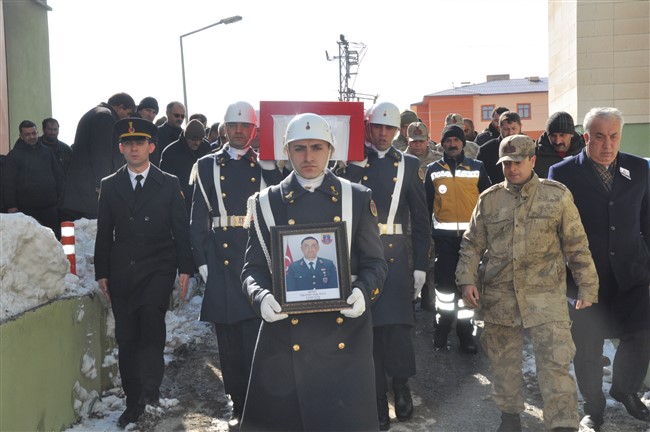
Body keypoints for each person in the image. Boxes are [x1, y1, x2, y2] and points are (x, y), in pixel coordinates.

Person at [240, 112, 387, 431]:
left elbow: (376, 263)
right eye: (299, 148)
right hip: (284, 336)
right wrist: (260, 297)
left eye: (317, 147)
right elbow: (252, 269)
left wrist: (364, 292)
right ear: (286, 151)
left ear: (331, 150)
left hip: (345, 333)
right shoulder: (265, 202)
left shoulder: (356, 197)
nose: (308, 156)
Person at [456, 134, 599, 432]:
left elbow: (576, 244)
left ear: (532, 160)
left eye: (518, 162)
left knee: (555, 363)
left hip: (545, 297)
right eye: (506, 163)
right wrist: (466, 279)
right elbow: (472, 244)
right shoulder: (489, 200)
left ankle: (563, 424)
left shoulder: (556, 195)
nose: (511, 169)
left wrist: (587, 285)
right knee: (504, 364)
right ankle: (510, 418)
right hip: (501, 296)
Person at [548, 107, 650, 431]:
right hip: (584, 279)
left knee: (642, 331)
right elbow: (553, 230)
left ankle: (625, 388)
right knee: (588, 348)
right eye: (600, 137)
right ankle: (593, 409)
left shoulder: (639, 168)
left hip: (632, 274)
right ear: (586, 137)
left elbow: (647, 221)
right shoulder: (563, 173)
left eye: (614, 136)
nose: (608, 145)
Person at [189, 101, 284, 427]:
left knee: (258, 334)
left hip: (257, 257)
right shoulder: (206, 165)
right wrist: (202, 260)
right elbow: (198, 217)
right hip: (221, 258)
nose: (239, 131)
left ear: (255, 129)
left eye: (246, 126)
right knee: (228, 339)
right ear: (225, 128)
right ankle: (238, 400)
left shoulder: (266, 165)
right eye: (234, 125)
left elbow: (281, 209)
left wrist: (270, 169)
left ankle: (261, 399)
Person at [94, 117, 193, 428]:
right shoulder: (110, 185)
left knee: (151, 319)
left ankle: (151, 389)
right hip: (123, 268)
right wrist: (101, 271)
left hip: (158, 265)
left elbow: (181, 229)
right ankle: (133, 400)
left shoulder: (169, 183)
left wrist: (185, 268)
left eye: (139, 143)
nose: (133, 148)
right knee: (127, 336)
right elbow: (104, 232)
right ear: (121, 148)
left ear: (151, 147)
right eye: (128, 144)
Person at [341, 101, 429, 429]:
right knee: (368, 329)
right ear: (367, 127)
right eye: (377, 126)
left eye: (389, 128)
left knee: (398, 328)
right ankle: (376, 396)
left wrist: (420, 265)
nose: (382, 134)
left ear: (398, 131)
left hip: (395, 255)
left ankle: (401, 386)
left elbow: (421, 219)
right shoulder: (350, 163)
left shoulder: (408, 164)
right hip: (359, 255)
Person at [424, 124, 491, 354]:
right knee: (444, 289)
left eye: (456, 140)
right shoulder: (433, 170)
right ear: (442, 144)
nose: (452, 145)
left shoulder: (477, 167)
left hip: (471, 241)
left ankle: (465, 335)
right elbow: (426, 206)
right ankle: (441, 330)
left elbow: (487, 202)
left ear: (463, 143)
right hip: (444, 241)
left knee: (468, 288)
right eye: (448, 141)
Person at [63, 92, 135, 219]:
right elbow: (102, 153)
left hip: (84, 192)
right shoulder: (105, 116)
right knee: (94, 229)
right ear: (120, 107)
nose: (127, 118)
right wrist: (102, 183)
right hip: (91, 193)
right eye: (128, 113)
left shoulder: (96, 113)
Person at [4, 120, 64, 237]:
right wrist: (11, 206)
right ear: (21, 136)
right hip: (26, 210)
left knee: (52, 239)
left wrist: (60, 200)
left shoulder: (47, 152)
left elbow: (58, 176)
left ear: (37, 132)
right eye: (27, 134)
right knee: (31, 241)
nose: (32, 137)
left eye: (34, 133)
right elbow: (8, 183)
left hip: (50, 208)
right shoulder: (14, 156)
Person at [405, 121, 441, 311]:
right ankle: (409, 305)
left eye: (421, 141)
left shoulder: (438, 161)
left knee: (432, 265)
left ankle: (431, 303)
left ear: (427, 139)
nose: (417, 145)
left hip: (434, 218)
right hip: (409, 222)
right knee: (410, 264)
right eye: (414, 141)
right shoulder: (400, 161)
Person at [160, 119, 211, 215]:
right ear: (186, 137)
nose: (197, 143)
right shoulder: (171, 152)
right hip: (180, 202)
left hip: (203, 199)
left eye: (200, 140)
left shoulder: (206, 148)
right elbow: (165, 180)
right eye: (193, 140)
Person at [477, 111, 523, 184]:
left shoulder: (529, 146)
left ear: (520, 126)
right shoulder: (486, 150)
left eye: (514, 128)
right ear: (499, 128)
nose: (510, 133)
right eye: (506, 129)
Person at [534, 111, 585, 178]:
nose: (557, 141)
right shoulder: (535, 156)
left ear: (572, 134)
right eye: (553, 136)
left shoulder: (586, 154)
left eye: (562, 135)